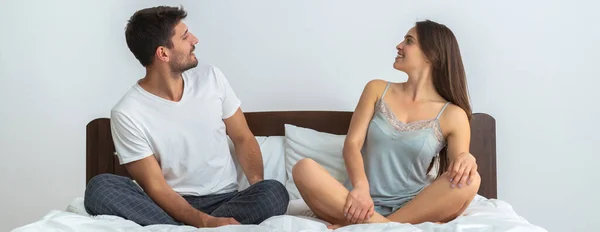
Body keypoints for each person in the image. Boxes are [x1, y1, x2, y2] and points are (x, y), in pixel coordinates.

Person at [83, 5, 289, 228]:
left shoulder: (212, 78)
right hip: (167, 204)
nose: (195, 40)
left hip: (227, 198)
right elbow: (156, 187)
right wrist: (204, 221)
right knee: (100, 187)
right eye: (185, 36)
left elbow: (243, 137)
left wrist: (256, 186)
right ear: (163, 53)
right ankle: (194, 227)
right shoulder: (127, 112)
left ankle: (178, 229)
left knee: (273, 191)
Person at [292, 20, 481, 229]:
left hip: (414, 209)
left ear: (432, 54)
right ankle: (385, 226)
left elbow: (458, 169)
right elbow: (352, 144)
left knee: (471, 181)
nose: (399, 46)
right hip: (356, 203)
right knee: (303, 168)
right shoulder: (376, 89)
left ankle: (378, 226)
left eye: (409, 41)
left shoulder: (453, 115)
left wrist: (467, 158)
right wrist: (361, 188)